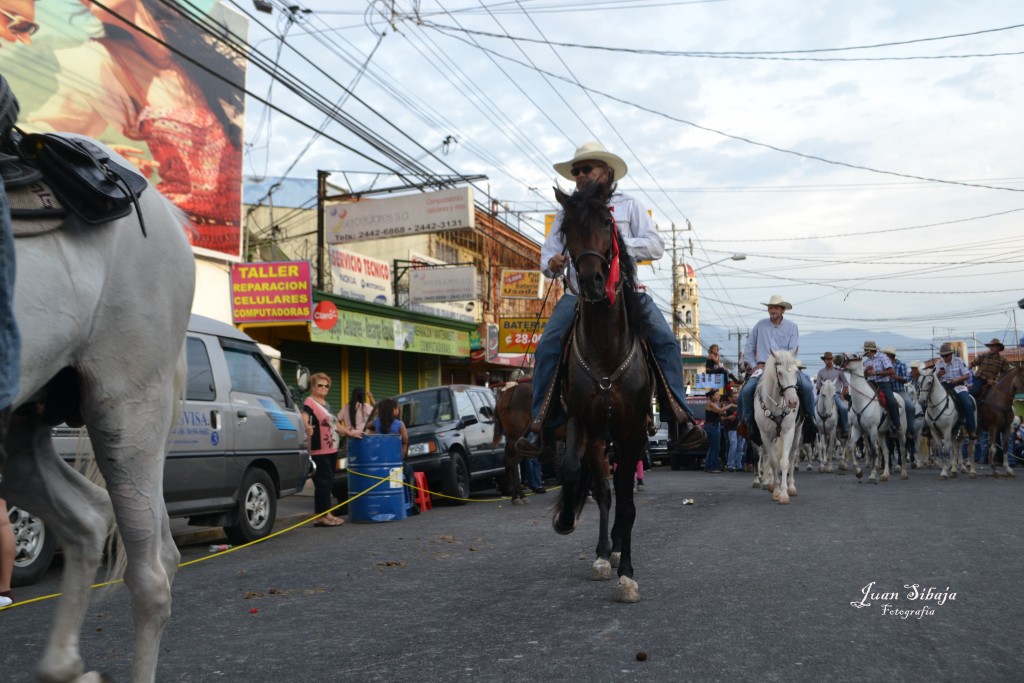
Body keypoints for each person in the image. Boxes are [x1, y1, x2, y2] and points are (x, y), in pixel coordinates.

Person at [517, 141, 704, 456]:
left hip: (627, 292)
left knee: (666, 343)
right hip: (579, 296)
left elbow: (655, 246)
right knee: (547, 346)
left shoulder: (629, 205)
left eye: (586, 169)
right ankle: (541, 422)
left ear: (605, 172)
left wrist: (616, 243)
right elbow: (547, 257)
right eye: (576, 171)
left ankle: (679, 418)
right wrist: (553, 262)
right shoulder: (567, 212)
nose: (579, 175)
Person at [29, 0, 245, 256]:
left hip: (227, 238)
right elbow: (41, 133)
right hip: (173, 231)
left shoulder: (205, 51)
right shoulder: (102, 61)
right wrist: (94, 156)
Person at [739, 294, 816, 445]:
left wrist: (785, 364)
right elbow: (748, 349)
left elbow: (793, 350)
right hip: (762, 367)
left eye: (775, 308)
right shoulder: (760, 326)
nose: (772, 310)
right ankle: (748, 423)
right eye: (770, 307)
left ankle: (809, 421)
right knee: (746, 391)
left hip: (785, 367)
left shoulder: (792, 327)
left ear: (782, 310)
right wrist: (754, 366)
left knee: (806, 386)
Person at [302, 372, 345, 527]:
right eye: (320, 385)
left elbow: (335, 425)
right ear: (313, 386)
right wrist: (307, 426)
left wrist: (350, 433)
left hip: (331, 448)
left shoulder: (326, 404)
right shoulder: (309, 401)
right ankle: (321, 516)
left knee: (328, 482)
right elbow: (304, 416)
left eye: (327, 386)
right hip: (319, 449)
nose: (324, 388)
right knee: (322, 482)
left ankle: (326, 513)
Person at [365, 397, 418, 515]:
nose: (398, 410)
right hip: (395, 462)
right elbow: (405, 440)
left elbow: (368, 426)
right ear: (393, 410)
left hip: (380, 462)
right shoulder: (399, 424)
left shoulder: (377, 422)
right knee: (409, 471)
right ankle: (412, 502)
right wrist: (402, 454)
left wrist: (377, 418)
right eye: (397, 408)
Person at [935, 342, 976, 439]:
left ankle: (971, 429)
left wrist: (957, 379)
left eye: (946, 355)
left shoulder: (959, 361)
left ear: (951, 354)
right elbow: (934, 378)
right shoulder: (938, 364)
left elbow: (967, 375)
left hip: (958, 385)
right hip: (944, 386)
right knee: (929, 400)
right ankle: (929, 426)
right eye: (942, 355)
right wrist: (939, 374)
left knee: (968, 403)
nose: (944, 357)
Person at [862, 341, 902, 434]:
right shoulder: (866, 361)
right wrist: (866, 371)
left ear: (869, 350)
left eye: (865, 350)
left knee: (892, 402)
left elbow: (891, 371)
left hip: (883, 384)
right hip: (870, 384)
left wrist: (877, 373)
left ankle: (896, 425)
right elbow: (864, 376)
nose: (864, 352)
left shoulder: (883, 357)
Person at [883, 347, 917, 451]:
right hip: (886, 391)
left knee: (910, 407)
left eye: (886, 355)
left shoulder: (901, 365)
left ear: (890, 356)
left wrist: (896, 377)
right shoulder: (882, 365)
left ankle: (909, 430)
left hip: (900, 391)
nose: (884, 357)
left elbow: (907, 378)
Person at [814, 351, 849, 439]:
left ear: (832, 360)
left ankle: (845, 429)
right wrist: (823, 390)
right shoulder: (820, 372)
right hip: (823, 394)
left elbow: (846, 383)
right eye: (827, 359)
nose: (829, 361)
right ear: (824, 360)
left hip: (835, 394)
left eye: (830, 359)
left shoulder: (839, 371)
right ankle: (812, 426)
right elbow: (817, 385)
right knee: (812, 403)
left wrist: (842, 394)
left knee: (843, 408)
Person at [703, 388, 726, 473]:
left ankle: (708, 466)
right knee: (716, 447)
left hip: (714, 425)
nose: (718, 396)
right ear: (712, 396)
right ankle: (712, 467)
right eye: (717, 395)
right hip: (712, 426)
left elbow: (720, 414)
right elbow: (719, 410)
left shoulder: (715, 404)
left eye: (718, 395)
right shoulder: (711, 404)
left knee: (712, 447)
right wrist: (731, 405)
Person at [723, 386, 744, 472]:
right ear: (731, 398)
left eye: (738, 397)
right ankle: (730, 465)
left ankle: (738, 465)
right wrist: (728, 417)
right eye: (735, 397)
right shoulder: (728, 406)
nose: (736, 398)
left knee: (740, 447)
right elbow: (721, 417)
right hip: (732, 429)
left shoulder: (742, 406)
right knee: (733, 446)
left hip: (741, 429)